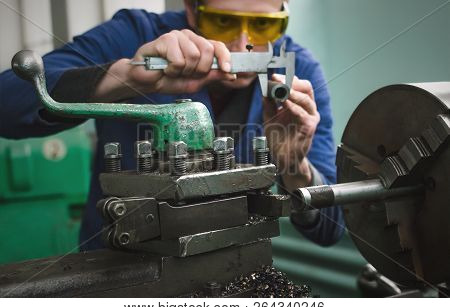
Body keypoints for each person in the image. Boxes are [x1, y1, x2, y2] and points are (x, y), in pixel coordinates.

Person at [0, 0, 344, 250]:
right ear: (192, 9)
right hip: (118, 269)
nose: (244, 44)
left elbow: (330, 230)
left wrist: (294, 166)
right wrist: (125, 76)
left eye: (263, 26)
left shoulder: (298, 72)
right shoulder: (136, 35)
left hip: (234, 270)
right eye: (223, 23)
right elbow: (8, 102)